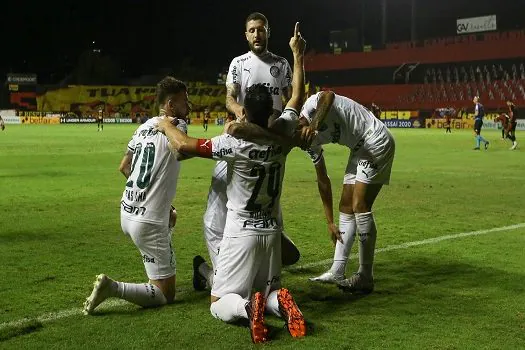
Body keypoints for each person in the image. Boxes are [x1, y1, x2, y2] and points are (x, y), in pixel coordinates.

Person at [156, 23, 308, 344]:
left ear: (244, 113)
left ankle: (244, 308)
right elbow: (296, 95)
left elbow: (184, 145)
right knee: (265, 290)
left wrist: (164, 124)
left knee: (219, 302)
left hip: (242, 231)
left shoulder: (233, 143)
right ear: (270, 110)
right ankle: (277, 301)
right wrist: (298, 54)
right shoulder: (284, 135)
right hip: (271, 230)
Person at [194, 12, 298, 293]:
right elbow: (230, 96)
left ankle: (231, 276)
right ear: (246, 35)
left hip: (264, 142)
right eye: (251, 30)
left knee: (260, 203)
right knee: (235, 202)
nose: (256, 35)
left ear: (268, 32)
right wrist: (239, 110)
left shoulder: (281, 64)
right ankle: (238, 267)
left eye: (261, 30)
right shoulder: (238, 64)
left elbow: (290, 97)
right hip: (244, 141)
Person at [83, 77, 189, 315]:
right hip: (148, 222)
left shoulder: (143, 126)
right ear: (171, 104)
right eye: (185, 101)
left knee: (169, 218)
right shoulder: (176, 124)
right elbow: (181, 150)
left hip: (127, 211)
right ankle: (113, 288)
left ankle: (162, 230)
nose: (188, 106)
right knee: (164, 293)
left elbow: (124, 166)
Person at [280, 91, 396, 294]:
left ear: (298, 124)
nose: (297, 144)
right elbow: (323, 181)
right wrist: (329, 221)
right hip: (358, 148)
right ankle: (337, 270)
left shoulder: (310, 106)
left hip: (375, 139)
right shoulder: (307, 144)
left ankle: (365, 276)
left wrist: (313, 127)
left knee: (360, 205)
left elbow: (328, 96)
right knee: (345, 206)